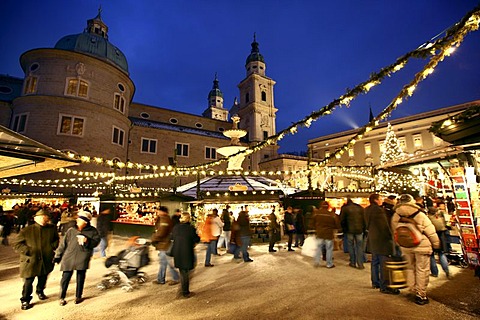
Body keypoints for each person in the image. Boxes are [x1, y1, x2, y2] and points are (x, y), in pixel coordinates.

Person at [392, 194, 440, 305]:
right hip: (421, 246)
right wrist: (436, 244)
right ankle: (421, 295)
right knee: (422, 270)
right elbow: (430, 231)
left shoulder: (396, 215)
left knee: (409, 268)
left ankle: (412, 289)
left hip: (406, 246)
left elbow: (395, 230)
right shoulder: (419, 214)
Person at [13, 209, 59, 310]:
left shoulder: (52, 228)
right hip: (30, 261)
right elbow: (17, 244)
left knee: (43, 278)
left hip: (46, 259)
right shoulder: (26, 230)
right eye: (41, 217)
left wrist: (52, 246)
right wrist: (27, 251)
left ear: (47, 218)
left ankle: (40, 291)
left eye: (45, 216)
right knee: (28, 282)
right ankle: (25, 299)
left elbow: (56, 239)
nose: (43, 218)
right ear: (35, 218)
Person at [54, 210, 100, 306]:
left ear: (85, 222)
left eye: (80, 219)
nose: (77, 220)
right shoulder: (71, 230)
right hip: (69, 257)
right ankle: (62, 297)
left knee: (80, 277)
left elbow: (95, 243)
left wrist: (87, 241)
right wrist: (58, 256)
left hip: (83, 257)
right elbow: (63, 244)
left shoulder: (92, 231)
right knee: (65, 278)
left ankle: (78, 296)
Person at [365, 194, 399, 294]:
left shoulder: (367, 209)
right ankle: (384, 286)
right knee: (384, 263)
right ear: (375, 200)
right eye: (380, 199)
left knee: (375, 262)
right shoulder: (378, 210)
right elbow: (383, 226)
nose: (381, 200)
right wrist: (390, 237)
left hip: (373, 239)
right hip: (381, 240)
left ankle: (375, 282)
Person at [171, 212, 200, 298]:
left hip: (177, 251)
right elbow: (196, 239)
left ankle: (183, 289)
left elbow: (172, 237)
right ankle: (185, 292)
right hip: (187, 252)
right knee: (186, 272)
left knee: (182, 271)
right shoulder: (190, 228)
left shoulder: (176, 227)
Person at [151, 206, 179, 285]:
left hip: (165, 244)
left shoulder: (165, 220)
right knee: (164, 262)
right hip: (164, 244)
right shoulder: (163, 219)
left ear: (163, 212)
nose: (158, 212)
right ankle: (161, 279)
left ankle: (175, 278)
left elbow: (161, 233)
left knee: (167, 262)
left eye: (159, 211)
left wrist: (153, 239)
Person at [340, 197, 366, 269]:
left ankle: (353, 262)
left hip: (349, 230)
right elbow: (364, 219)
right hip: (359, 230)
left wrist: (343, 229)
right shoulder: (360, 208)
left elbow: (342, 220)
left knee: (350, 246)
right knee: (359, 247)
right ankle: (360, 264)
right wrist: (364, 228)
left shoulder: (345, 209)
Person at [427, 206, 451, 279]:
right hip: (441, 238)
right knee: (441, 253)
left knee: (431, 256)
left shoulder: (427, 219)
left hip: (431, 238)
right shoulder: (440, 218)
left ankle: (435, 272)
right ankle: (446, 270)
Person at [313, 201, 338, 268]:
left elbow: (313, 222)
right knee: (329, 249)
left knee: (319, 248)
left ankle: (317, 262)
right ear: (328, 207)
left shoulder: (317, 214)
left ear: (321, 206)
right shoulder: (331, 215)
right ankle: (329, 264)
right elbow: (336, 224)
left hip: (320, 233)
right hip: (328, 234)